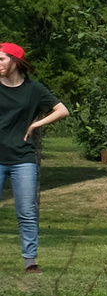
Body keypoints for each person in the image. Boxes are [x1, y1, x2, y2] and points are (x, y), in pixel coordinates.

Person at [0, 43, 68, 273]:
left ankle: (30, 261)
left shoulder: (34, 89)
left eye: (1, 59)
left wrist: (36, 123)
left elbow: (62, 110)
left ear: (15, 61)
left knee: (26, 210)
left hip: (22, 158)